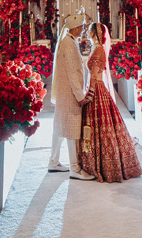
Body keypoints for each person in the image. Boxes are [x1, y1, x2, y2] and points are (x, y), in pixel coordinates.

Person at [78, 22, 142, 182]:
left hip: (97, 90)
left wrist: (89, 95)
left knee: (99, 127)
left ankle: (105, 165)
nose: (87, 33)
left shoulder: (98, 50)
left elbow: (94, 76)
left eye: (90, 31)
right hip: (97, 88)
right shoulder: (97, 48)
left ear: (95, 34)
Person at [49, 12, 95, 180]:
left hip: (66, 91)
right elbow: (71, 72)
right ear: (74, 28)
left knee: (60, 126)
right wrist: (79, 95)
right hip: (69, 93)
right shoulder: (68, 43)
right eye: (81, 27)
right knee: (71, 128)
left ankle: (53, 161)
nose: (83, 29)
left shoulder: (69, 41)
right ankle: (74, 168)